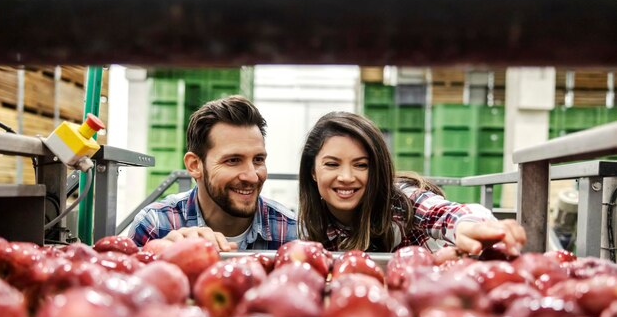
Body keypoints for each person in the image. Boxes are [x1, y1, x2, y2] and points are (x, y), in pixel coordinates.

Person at [298, 111, 526, 256]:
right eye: (332, 164)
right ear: (313, 172)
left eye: (361, 165)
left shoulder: (401, 203)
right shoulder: (312, 224)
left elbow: (445, 214)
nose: (346, 177)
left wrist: (471, 226)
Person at [129, 95, 298, 251]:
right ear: (195, 165)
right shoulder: (155, 226)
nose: (252, 176)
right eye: (233, 160)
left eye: (258, 159)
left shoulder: (290, 231)